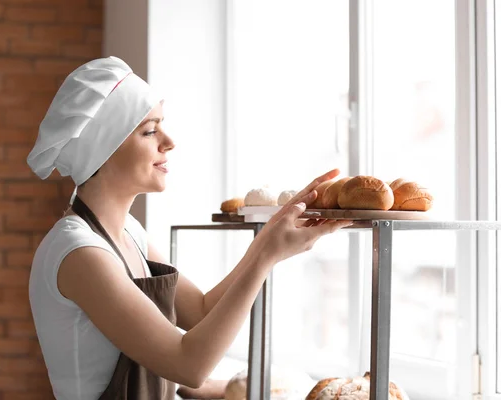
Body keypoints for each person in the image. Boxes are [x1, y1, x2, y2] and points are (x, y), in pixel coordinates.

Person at [26, 56, 352, 400]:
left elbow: (200, 311)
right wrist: (267, 254)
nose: (169, 141)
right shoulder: (78, 252)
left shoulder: (130, 233)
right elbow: (189, 365)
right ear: (102, 149)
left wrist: (269, 238)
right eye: (150, 131)